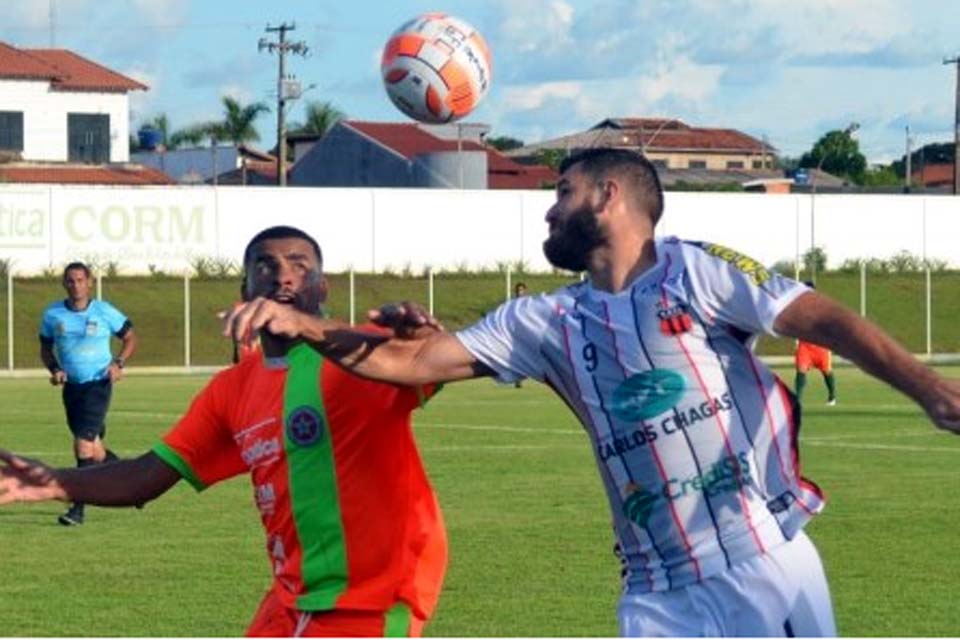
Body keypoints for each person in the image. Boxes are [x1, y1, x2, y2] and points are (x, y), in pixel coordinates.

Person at [220, 148, 960, 637]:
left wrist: (931, 392)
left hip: (756, 559)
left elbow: (822, 316)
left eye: (561, 191)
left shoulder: (694, 271)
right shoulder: (545, 319)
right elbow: (405, 366)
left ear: (609, 196)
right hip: (652, 588)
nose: (548, 209)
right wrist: (308, 326)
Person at [3, 226, 447, 637]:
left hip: (368, 603)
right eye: (266, 266)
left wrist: (417, 337)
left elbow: (442, 360)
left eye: (299, 265)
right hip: (291, 599)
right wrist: (51, 482)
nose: (282, 277)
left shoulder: (365, 351)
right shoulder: (232, 390)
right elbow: (148, 476)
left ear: (323, 287)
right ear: (244, 292)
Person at [38, 261, 138, 526]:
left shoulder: (104, 311)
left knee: (82, 443)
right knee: (95, 450)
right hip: (72, 388)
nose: (76, 285)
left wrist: (118, 363)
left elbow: (130, 336)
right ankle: (133, 481)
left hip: (98, 384)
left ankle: (78, 508)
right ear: (64, 283)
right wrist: (55, 369)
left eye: (81, 280)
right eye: (70, 280)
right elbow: (45, 348)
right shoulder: (53, 314)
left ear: (90, 282)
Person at [794, 282, 837, 406]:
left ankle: (832, 396)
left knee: (827, 371)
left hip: (820, 346)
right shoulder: (797, 306)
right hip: (805, 345)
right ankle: (797, 399)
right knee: (800, 370)